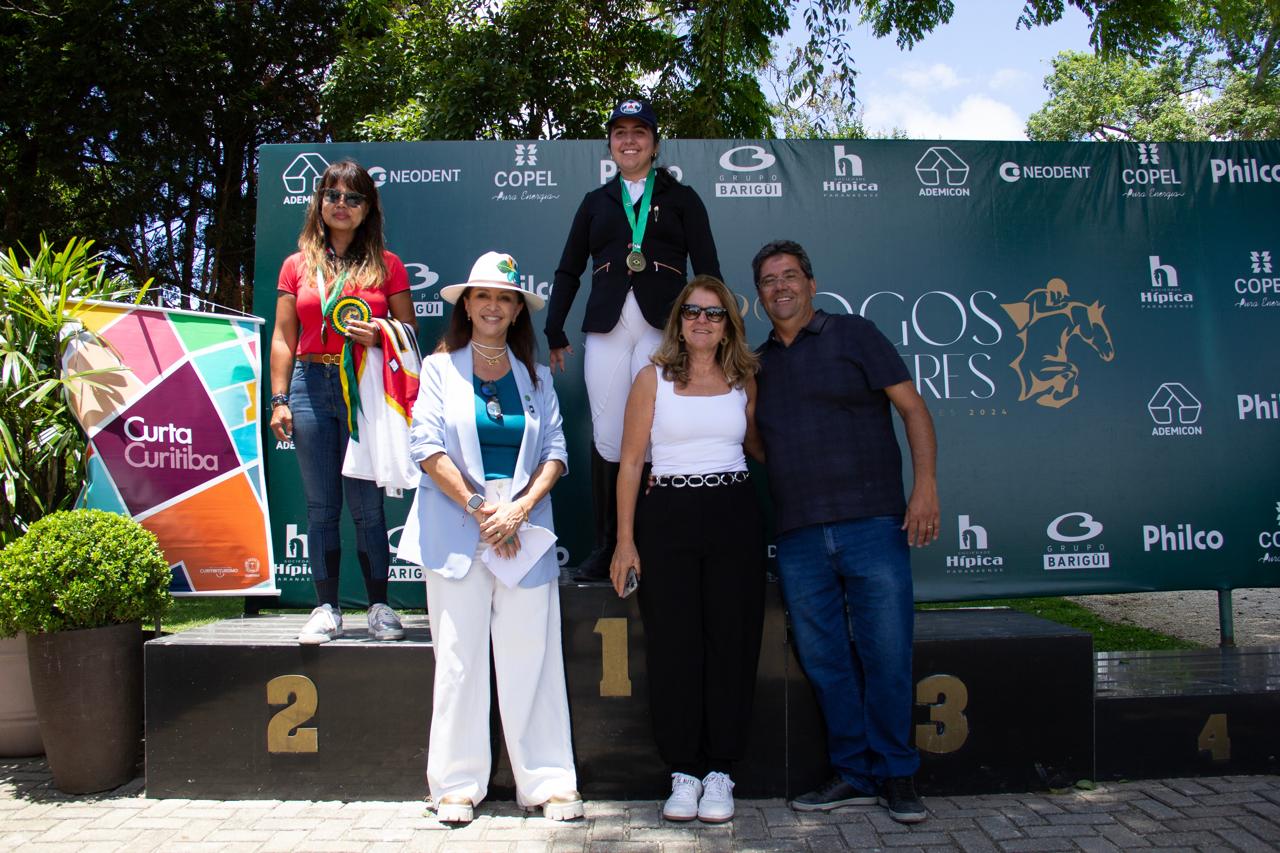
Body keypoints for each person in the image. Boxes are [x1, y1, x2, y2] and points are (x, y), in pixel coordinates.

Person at [750, 240, 940, 824]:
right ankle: (855, 773)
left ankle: (898, 775)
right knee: (826, 661)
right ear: (759, 296)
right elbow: (754, 441)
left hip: (873, 523)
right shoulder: (756, 363)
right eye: (768, 281)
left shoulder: (855, 334)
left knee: (887, 655)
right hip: (800, 535)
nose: (780, 287)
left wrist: (925, 487)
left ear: (811, 284)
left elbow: (913, 409)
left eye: (790, 276)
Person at [401, 251, 582, 825]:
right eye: (483, 295)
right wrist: (483, 510)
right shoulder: (439, 369)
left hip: (524, 528)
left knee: (533, 658)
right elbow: (425, 446)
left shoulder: (536, 376)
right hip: (461, 523)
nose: (494, 306)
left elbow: (555, 451)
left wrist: (519, 510)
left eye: (505, 297)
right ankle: (455, 785)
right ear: (466, 305)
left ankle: (549, 782)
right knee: (459, 660)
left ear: (517, 310)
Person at [609, 276, 765, 824]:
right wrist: (625, 541)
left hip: (734, 511)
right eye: (693, 311)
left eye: (714, 314)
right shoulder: (651, 379)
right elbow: (632, 463)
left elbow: (759, 445)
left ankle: (720, 770)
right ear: (678, 321)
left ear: (728, 326)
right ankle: (683, 770)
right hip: (667, 515)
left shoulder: (745, 379)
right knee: (674, 643)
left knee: (731, 641)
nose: (702, 321)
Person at [546, 97, 721, 581]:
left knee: (654, 433)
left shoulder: (683, 198)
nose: (629, 141)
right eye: (620, 133)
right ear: (610, 144)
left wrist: (717, 332)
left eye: (639, 132)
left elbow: (708, 270)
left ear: (655, 144)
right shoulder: (595, 201)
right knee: (607, 433)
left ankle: (651, 540)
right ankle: (608, 545)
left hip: (663, 326)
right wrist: (555, 327)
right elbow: (568, 269)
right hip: (607, 327)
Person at [269, 159, 416, 645]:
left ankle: (379, 607)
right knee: (320, 506)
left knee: (368, 506)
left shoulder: (388, 264)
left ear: (367, 208)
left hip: (365, 387)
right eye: (332, 195)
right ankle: (326, 608)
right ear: (319, 203)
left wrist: (381, 334)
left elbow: (410, 330)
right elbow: (284, 337)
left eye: (353, 198)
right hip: (310, 384)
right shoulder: (296, 265)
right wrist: (279, 399)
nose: (341, 205)